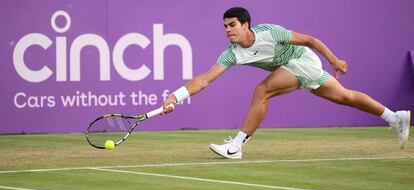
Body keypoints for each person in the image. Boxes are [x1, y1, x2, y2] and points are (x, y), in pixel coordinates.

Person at [162, 7, 411, 159]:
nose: (228, 30)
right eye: (225, 26)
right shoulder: (232, 53)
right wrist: (175, 97)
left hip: (303, 60)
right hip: (298, 69)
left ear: (245, 25)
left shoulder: (271, 32)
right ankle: (394, 117)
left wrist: (334, 60)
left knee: (262, 90)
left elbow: (310, 40)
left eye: (232, 25)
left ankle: (236, 146)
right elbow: (204, 80)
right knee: (344, 97)